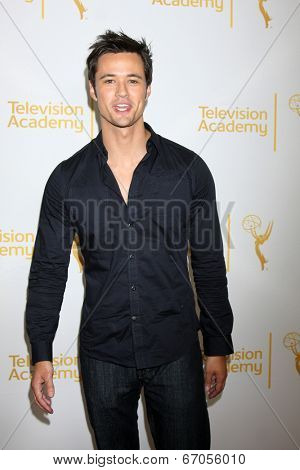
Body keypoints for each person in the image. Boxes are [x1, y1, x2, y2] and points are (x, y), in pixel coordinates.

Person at [25, 29, 234, 450]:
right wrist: (42, 352)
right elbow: (49, 270)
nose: (121, 92)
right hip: (104, 356)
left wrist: (217, 344)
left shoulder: (189, 170)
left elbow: (209, 263)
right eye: (109, 80)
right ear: (92, 88)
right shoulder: (66, 180)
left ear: (148, 88)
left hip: (176, 351)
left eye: (133, 80)